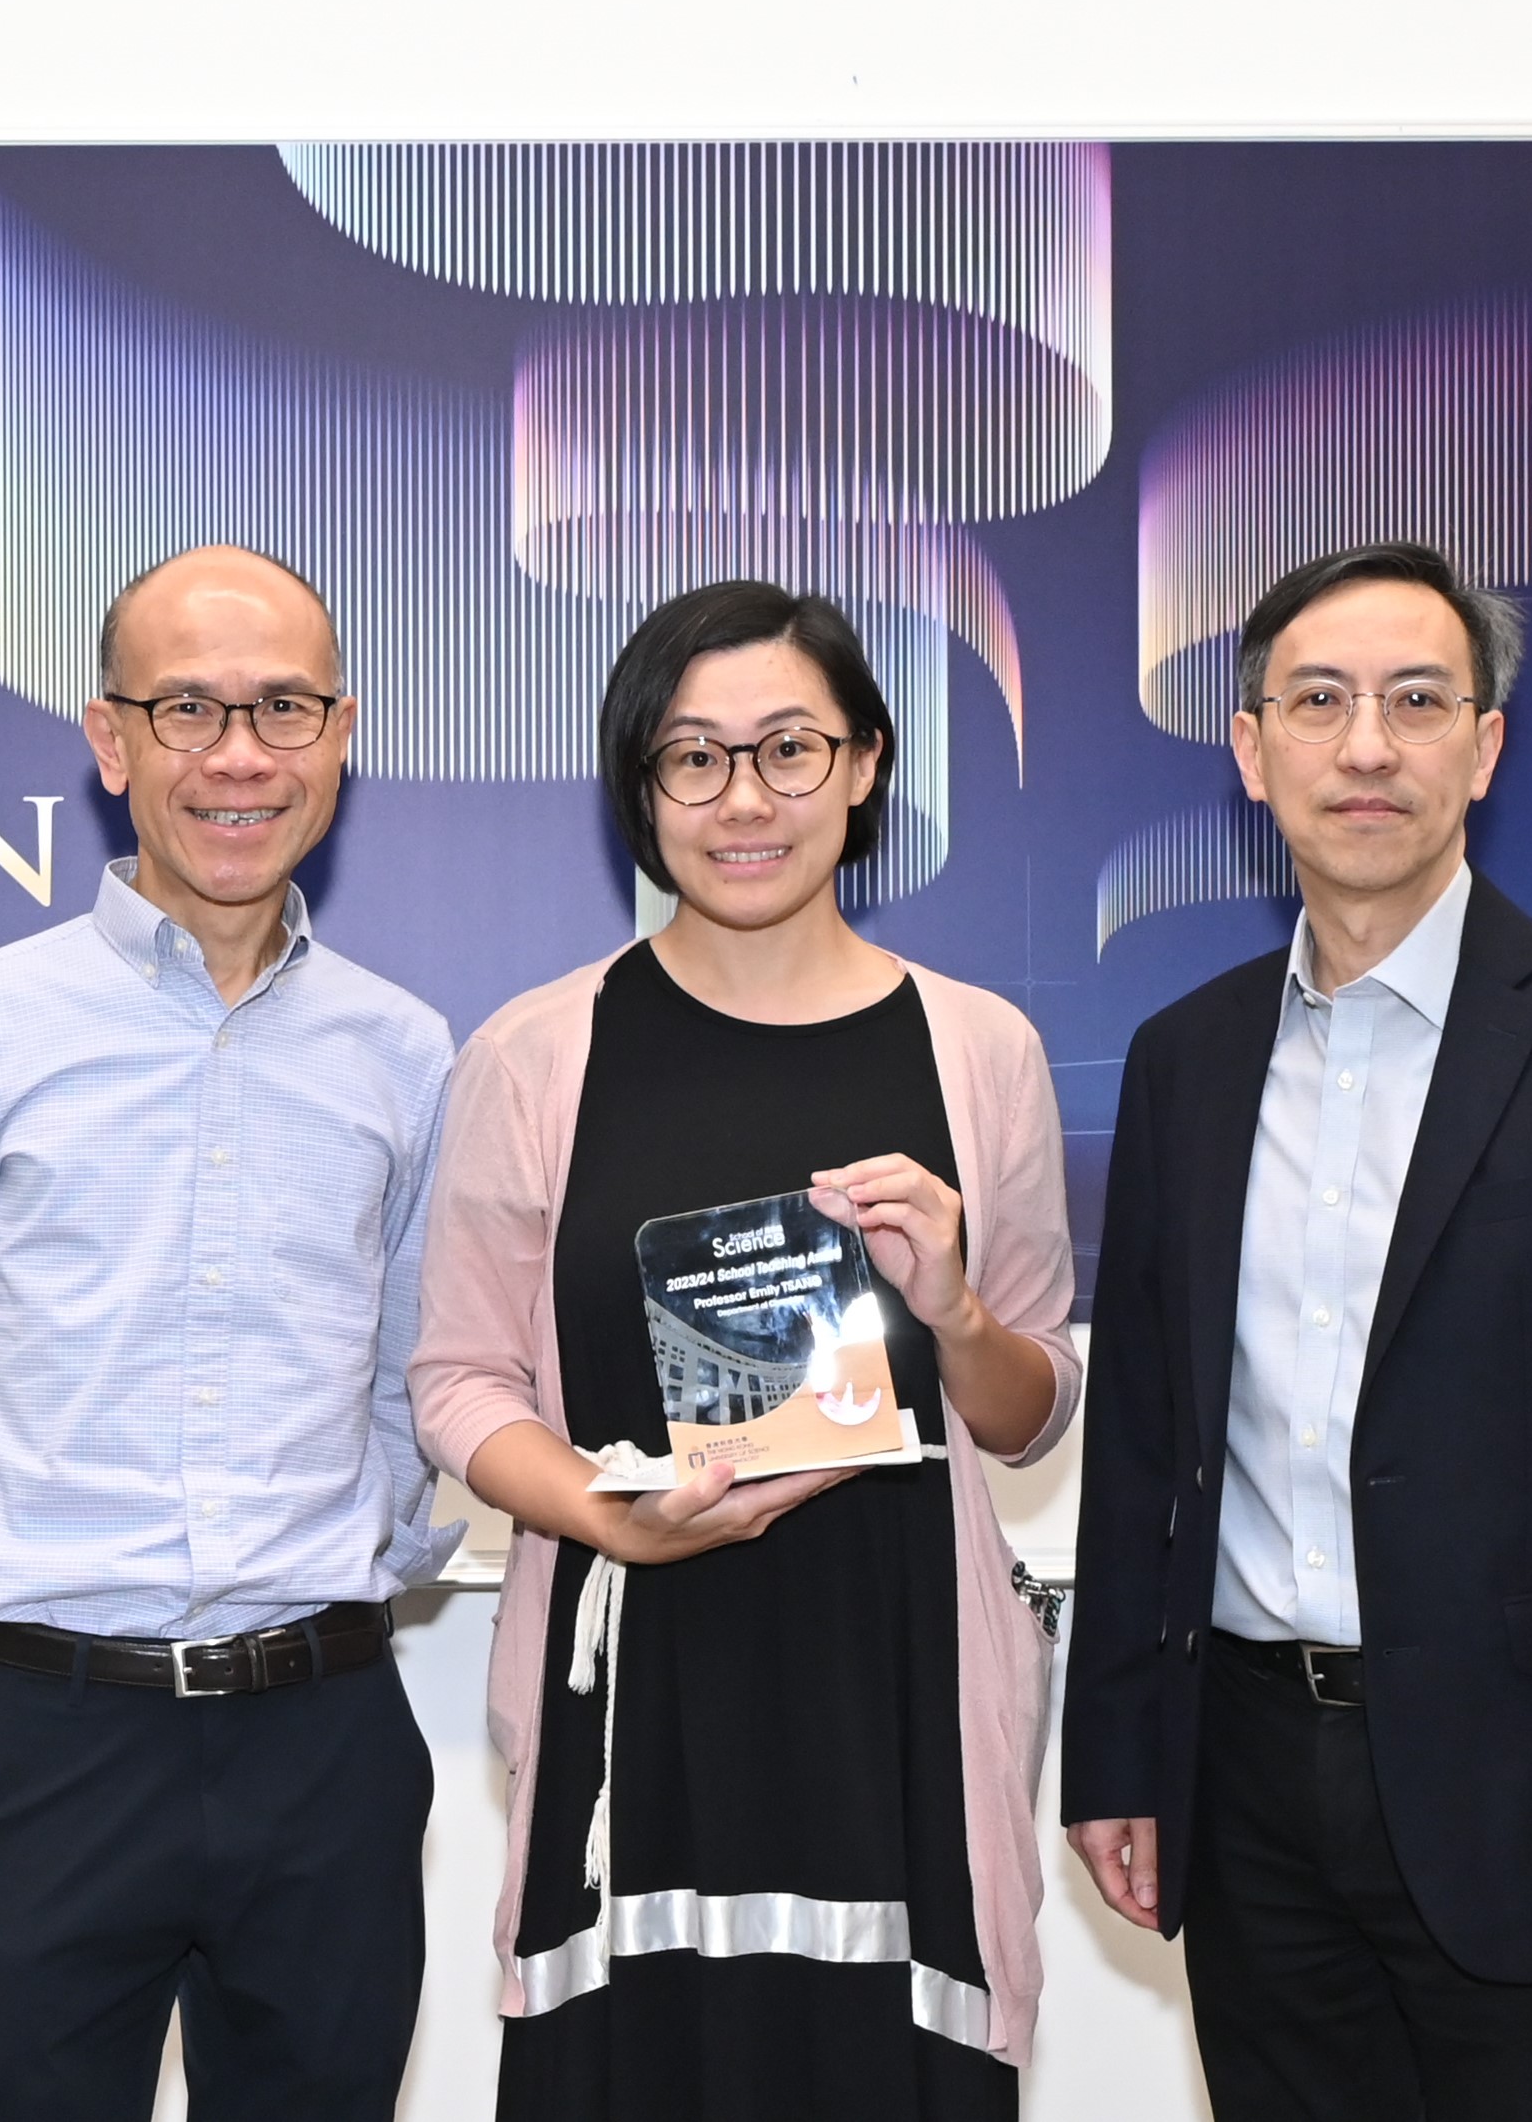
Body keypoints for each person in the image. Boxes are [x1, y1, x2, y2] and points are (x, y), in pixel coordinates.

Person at [1060, 542, 1532, 2121]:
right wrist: (1117, 1751)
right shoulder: (1184, 1061)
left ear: (1487, 743)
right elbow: (1145, 1442)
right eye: (1317, 701)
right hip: (1243, 1786)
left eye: (1415, 700)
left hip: (1521, 1800)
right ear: (1251, 750)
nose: (1367, 745)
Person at [410, 580, 1083, 2120]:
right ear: (641, 790)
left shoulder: (979, 1049)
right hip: (638, 1699)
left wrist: (959, 1307)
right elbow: (457, 1378)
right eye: (693, 758)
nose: (745, 799)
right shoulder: (537, 1048)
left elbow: (1035, 1405)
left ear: (865, 764)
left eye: (790, 748)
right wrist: (601, 1515)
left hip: (895, 1696)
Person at [0, 545, 460, 2122]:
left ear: (339, 736)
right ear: (111, 741)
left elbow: (401, 1384)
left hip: (325, 1741)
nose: (238, 753)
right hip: (49, 1740)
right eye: (188, 708)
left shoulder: (405, 1047)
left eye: (282, 708)